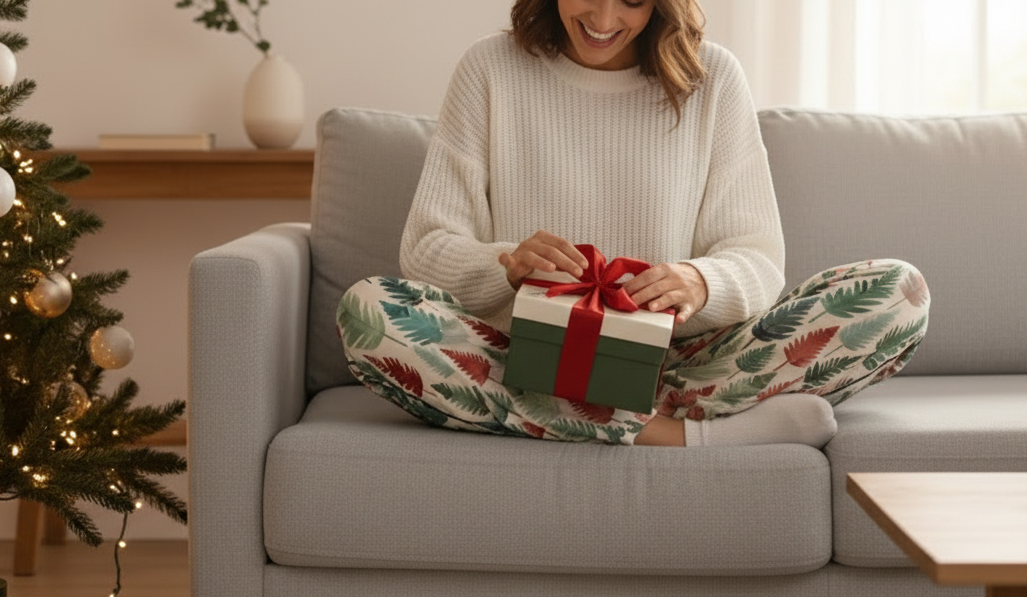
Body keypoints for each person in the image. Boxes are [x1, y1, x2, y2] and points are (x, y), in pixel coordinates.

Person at [336, 0, 929, 447]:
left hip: (685, 362)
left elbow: (757, 256)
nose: (604, 16)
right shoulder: (490, 69)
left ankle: (610, 417)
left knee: (896, 295)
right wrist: (508, 265)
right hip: (526, 360)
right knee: (369, 314)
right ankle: (682, 435)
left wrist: (700, 283)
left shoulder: (714, 78)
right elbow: (426, 246)